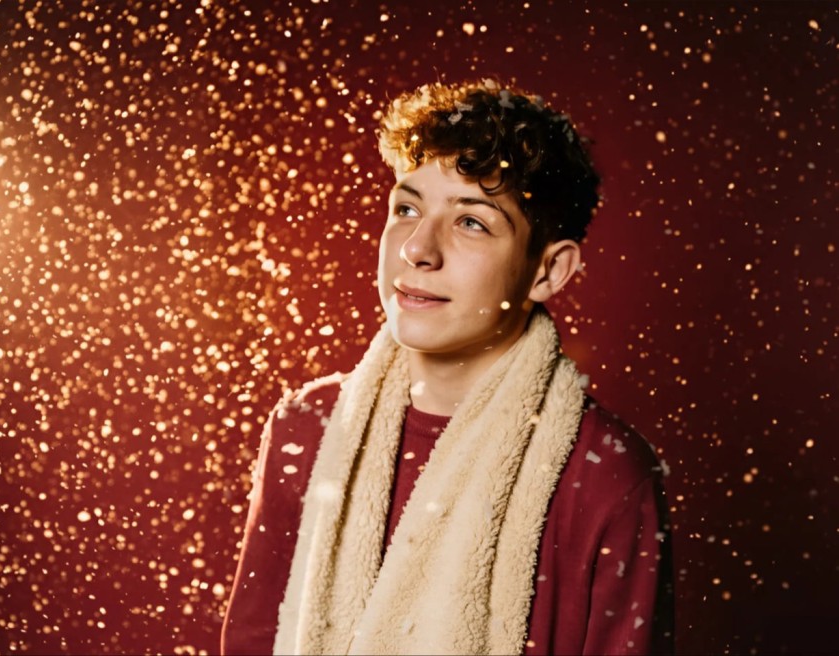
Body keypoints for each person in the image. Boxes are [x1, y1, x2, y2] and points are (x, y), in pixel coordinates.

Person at [221, 80, 674, 655]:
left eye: (471, 223)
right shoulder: (308, 428)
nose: (417, 249)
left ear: (548, 271)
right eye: (406, 209)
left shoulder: (606, 475)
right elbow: (253, 641)